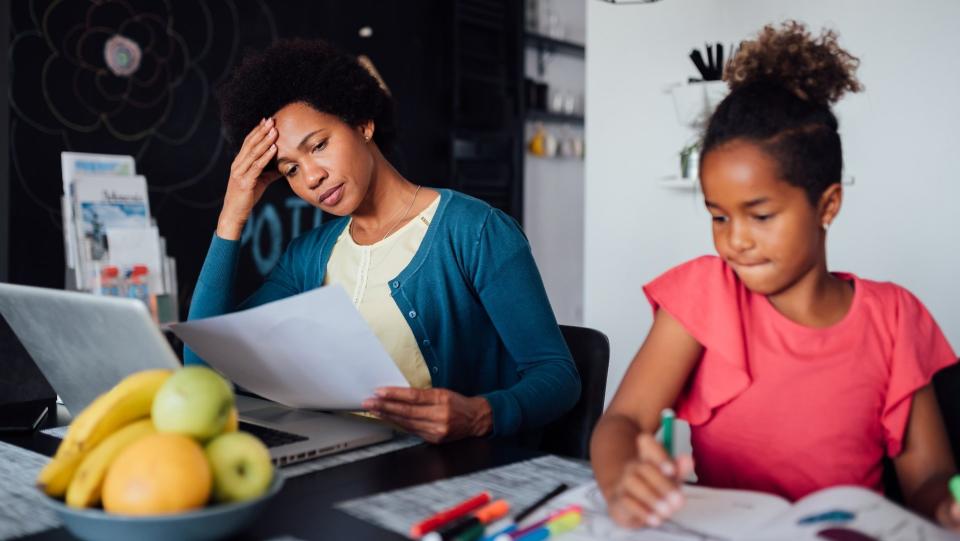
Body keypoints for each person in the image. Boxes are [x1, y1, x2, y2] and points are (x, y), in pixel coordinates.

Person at [590, 21, 960, 530]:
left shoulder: (895, 317)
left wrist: (947, 507)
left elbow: (929, 478)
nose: (734, 239)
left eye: (760, 216)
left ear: (826, 205)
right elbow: (622, 422)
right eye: (718, 216)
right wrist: (622, 474)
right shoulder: (705, 295)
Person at [185, 38, 580, 444]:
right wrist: (233, 211)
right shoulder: (306, 257)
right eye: (290, 170)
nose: (311, 177)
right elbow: (202, 368)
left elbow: (558, 376)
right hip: (341, 470)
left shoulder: (475, 231)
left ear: (362, 124)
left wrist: (481, 414)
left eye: (319, 145)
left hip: (449, 475)